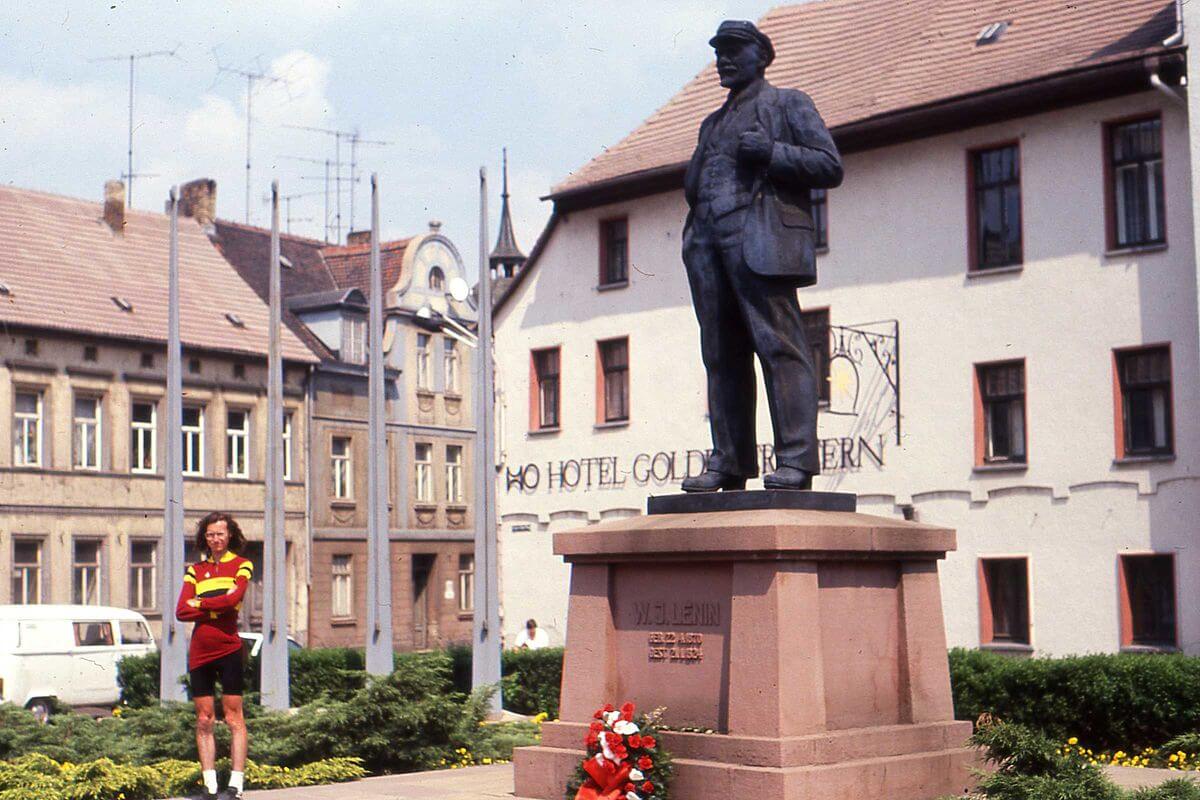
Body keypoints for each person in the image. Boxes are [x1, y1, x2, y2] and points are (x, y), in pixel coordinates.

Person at [679, 20, 844, 493]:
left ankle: (796, 460)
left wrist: (771, 152)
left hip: (759, 238)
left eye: (734, 50)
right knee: (721, 354)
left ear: (762, 56)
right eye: (719, 52)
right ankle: (729, 461)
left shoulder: (787, 104)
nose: (723, 60)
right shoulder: (710, 123)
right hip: (708, 245)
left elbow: (829, 165)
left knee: (780, 347)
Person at [175, 512, 254, 800]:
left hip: (229, 649)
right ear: (204, 537)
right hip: (200, 651)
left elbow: (235, 600)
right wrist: (216, 606)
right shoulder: (195, 570)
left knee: (234, 718)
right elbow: (181, 611)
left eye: (220, 534)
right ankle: (209, 787)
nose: (215, 539)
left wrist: (201, 603)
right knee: (204, 719)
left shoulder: (242, 565)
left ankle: (236, 785)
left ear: (230, 534)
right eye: (210, 534)